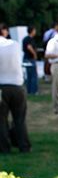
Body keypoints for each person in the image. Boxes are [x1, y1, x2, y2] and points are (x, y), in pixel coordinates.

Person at [0, 22, 31, 153]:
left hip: (2, 85)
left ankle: (4, 147)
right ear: (5, 32)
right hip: (17, 85)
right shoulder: (14, 44)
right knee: (19, 119)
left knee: (1, 120)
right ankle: (23, 145)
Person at [21, 26, 38, 95]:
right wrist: (34, 54)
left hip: (26, 58)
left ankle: (29, 91)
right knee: (33, 75)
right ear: (32, 31)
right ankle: (33, 91)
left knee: (29, 75)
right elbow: (29, 47)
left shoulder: (25, 39)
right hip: (30, 59)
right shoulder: (29, 39)